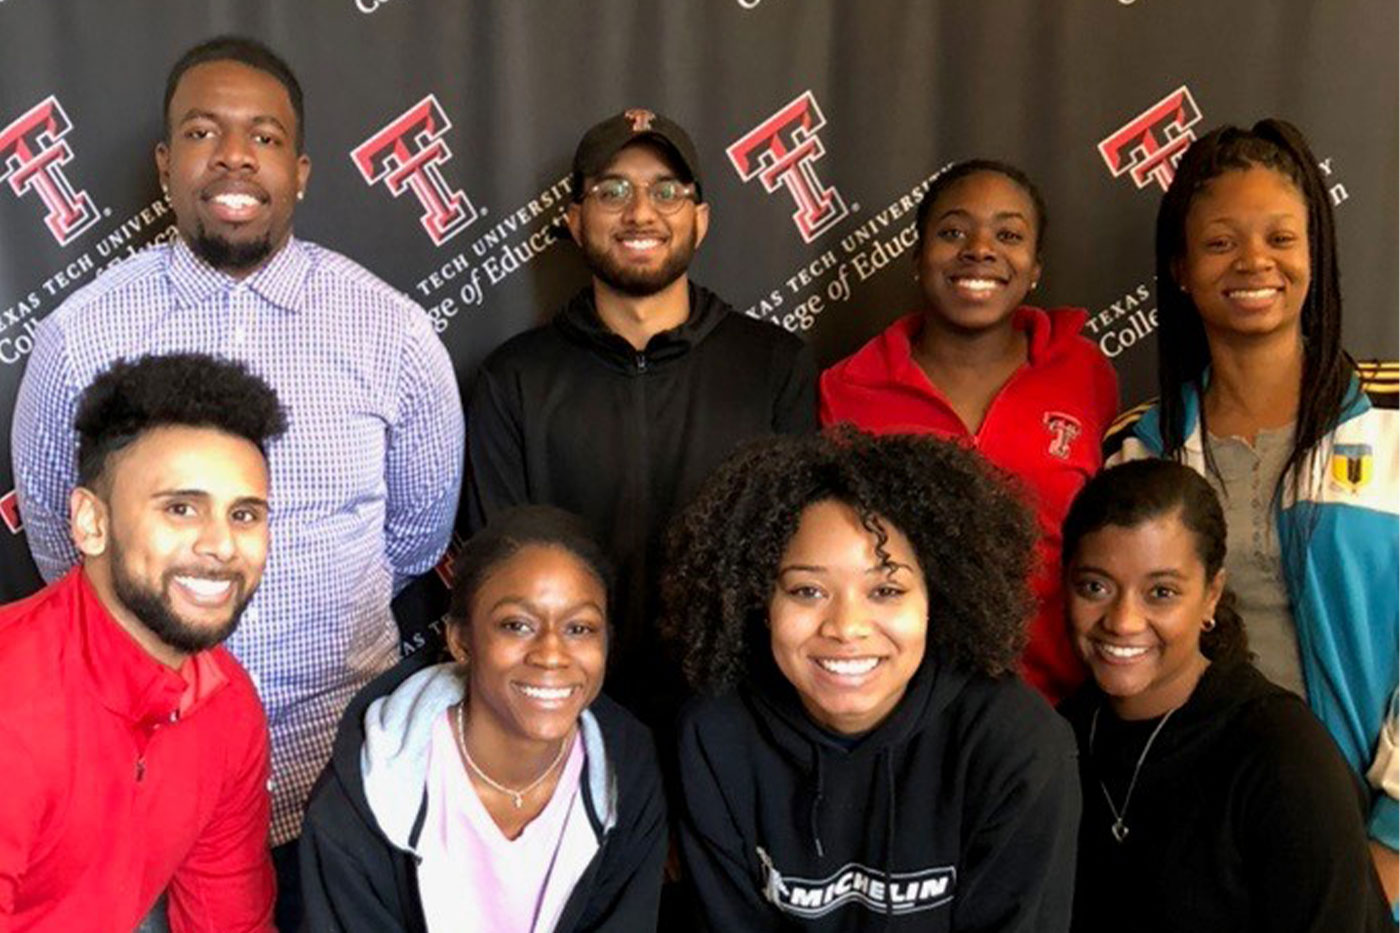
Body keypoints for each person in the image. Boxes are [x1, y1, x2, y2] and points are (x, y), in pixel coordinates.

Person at [9, 36, 465, 924]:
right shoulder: (77, 334)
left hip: (340, 780)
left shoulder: (395, 336)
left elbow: (415, 537)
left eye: (262, 136)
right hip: (123, 799)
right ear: (164, 163)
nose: (232, 156)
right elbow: (60, 540)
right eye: (202, 132)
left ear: (299, 169)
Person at [1104, 119, 1398, 901]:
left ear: (1315, 251)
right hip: (1199, 847)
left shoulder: (1392, 426)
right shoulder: (1142, 452)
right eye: (1221, 242)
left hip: (1367, 840)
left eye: (1281, 236)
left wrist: (1391, 842)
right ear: (1179, 268)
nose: (1255, 262)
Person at [467, 108, 817, 720]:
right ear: (575, 221)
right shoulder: (514, 378)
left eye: (666, 191)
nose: (641, 213)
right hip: (568, 715)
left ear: (700, 220)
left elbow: (800, 558)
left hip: (739, 714)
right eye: (612, 191)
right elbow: (502, 572)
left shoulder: (772, 365)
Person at [664, 429, 1080, 931]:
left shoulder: (1015, 742)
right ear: (761, 602)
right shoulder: (716, 736)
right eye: (807, 590)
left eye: (885, 590)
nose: (846, 627)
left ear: (937, 600)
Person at [0, 353, 284, 931]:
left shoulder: (230, 706)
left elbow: (230, 922)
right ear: (90, 523)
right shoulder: (13, 700)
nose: (223, 546)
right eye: (182, 509)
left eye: (245, 514)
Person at [820, 159, 1118, 705]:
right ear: (916, 259)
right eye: (953, 231)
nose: (980, 248)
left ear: (1035, 268)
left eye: (1008, 234)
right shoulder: (846, 388)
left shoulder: (1084, 372)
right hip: (902, 707)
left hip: (1065, 704)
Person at [300, 505, 666, 931]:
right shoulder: (361, 798)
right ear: (461, 641)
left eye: (579, 628)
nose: (551, 653)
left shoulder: (629, 771)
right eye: (517, 625)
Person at [1060, 459, 1389, 931]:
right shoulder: (1055, 741)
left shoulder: (1280, 754)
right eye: (1095, 586)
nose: (1123, 620)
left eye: (1161, 592)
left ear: (1211, 595)